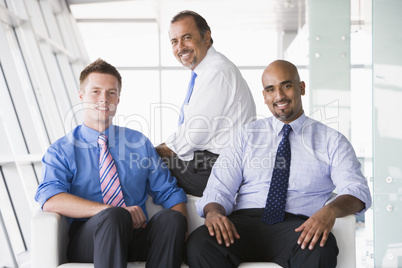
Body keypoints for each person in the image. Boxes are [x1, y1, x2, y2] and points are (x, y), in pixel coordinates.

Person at [185, 60, 372, 268]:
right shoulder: (246, 136)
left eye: (286, 86)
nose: (279, 96)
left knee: (321, 246)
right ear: (264, 96)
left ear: (301, 88)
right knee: (200, 243)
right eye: (271, 89)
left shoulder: (332, 141)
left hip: (298, 228)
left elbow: (357, 191)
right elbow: (219, 189)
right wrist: (214, 212)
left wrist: (330, 210)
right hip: (244, 224)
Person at [35, 59, 188, 268]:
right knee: (113, 216)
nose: (104, 99)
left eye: (111, 92)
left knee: (173, 219)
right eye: (95, 91)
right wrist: (107, 210)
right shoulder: (61, 150)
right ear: (81, 96)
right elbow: (51, 198)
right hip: (90, 239)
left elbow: (169, 193)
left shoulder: (138, 143)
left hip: (137, 235)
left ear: (118, 98)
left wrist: (183, 236)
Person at [155, 10, 256, 197]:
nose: (180, 47)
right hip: (212, 164)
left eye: (186, 38)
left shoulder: (216, 73)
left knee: (139, 167)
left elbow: (192, 135)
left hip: (214, 171)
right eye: (174, 41)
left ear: (206, 37)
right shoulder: (209, 70)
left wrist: (153, 152)